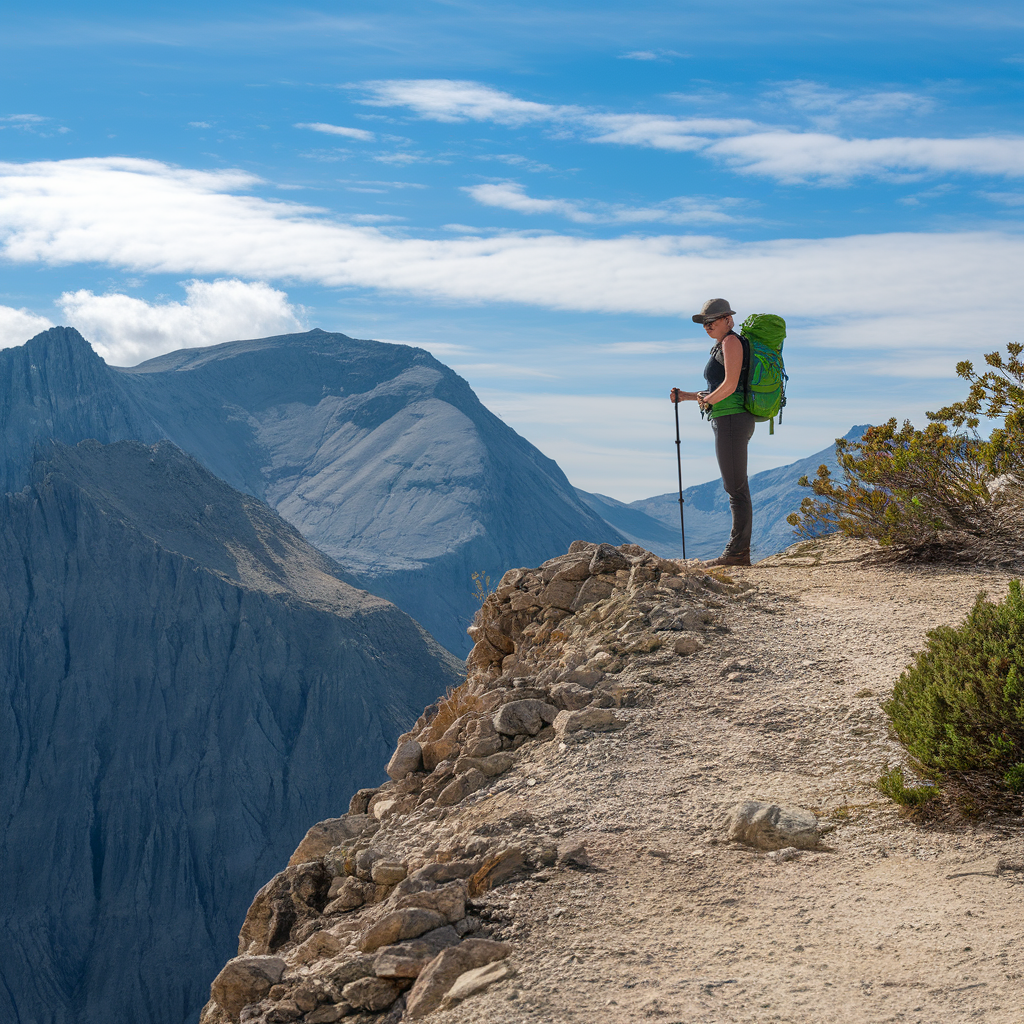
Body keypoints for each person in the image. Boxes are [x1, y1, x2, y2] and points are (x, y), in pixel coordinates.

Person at [670, 297, 755, 567]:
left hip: (732, 420)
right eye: (704, 323)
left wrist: (707, 401)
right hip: (728, 418)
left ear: (728, 320)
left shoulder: (731, 342)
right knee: (735, 485)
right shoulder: (721, 345)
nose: (707, 327)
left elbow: (729, 386)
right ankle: (737, 551)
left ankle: (737, 554)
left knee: (735, 488)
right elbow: (720, 388)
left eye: (712, 321)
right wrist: (686, 396)